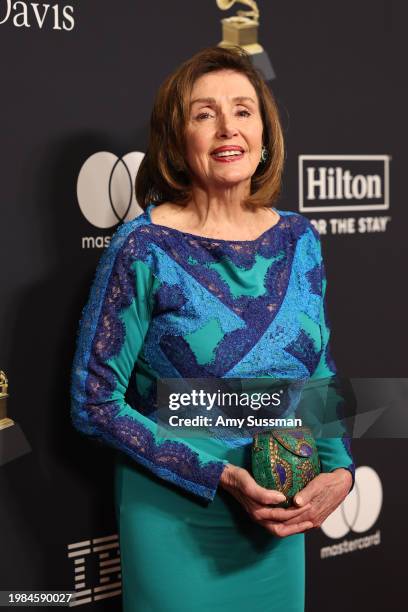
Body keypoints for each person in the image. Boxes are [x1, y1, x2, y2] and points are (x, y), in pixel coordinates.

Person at [71, 45, 355, 612]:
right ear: (177, 140)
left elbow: (318, 370)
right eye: (204, 113)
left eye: (243, 110)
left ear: (265, 132)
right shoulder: (142, 248)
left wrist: (340, 470)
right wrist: (220, 475)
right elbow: (95, 401)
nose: (228, 127)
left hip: (277, 517)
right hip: (176, 517)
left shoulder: (300, 239)